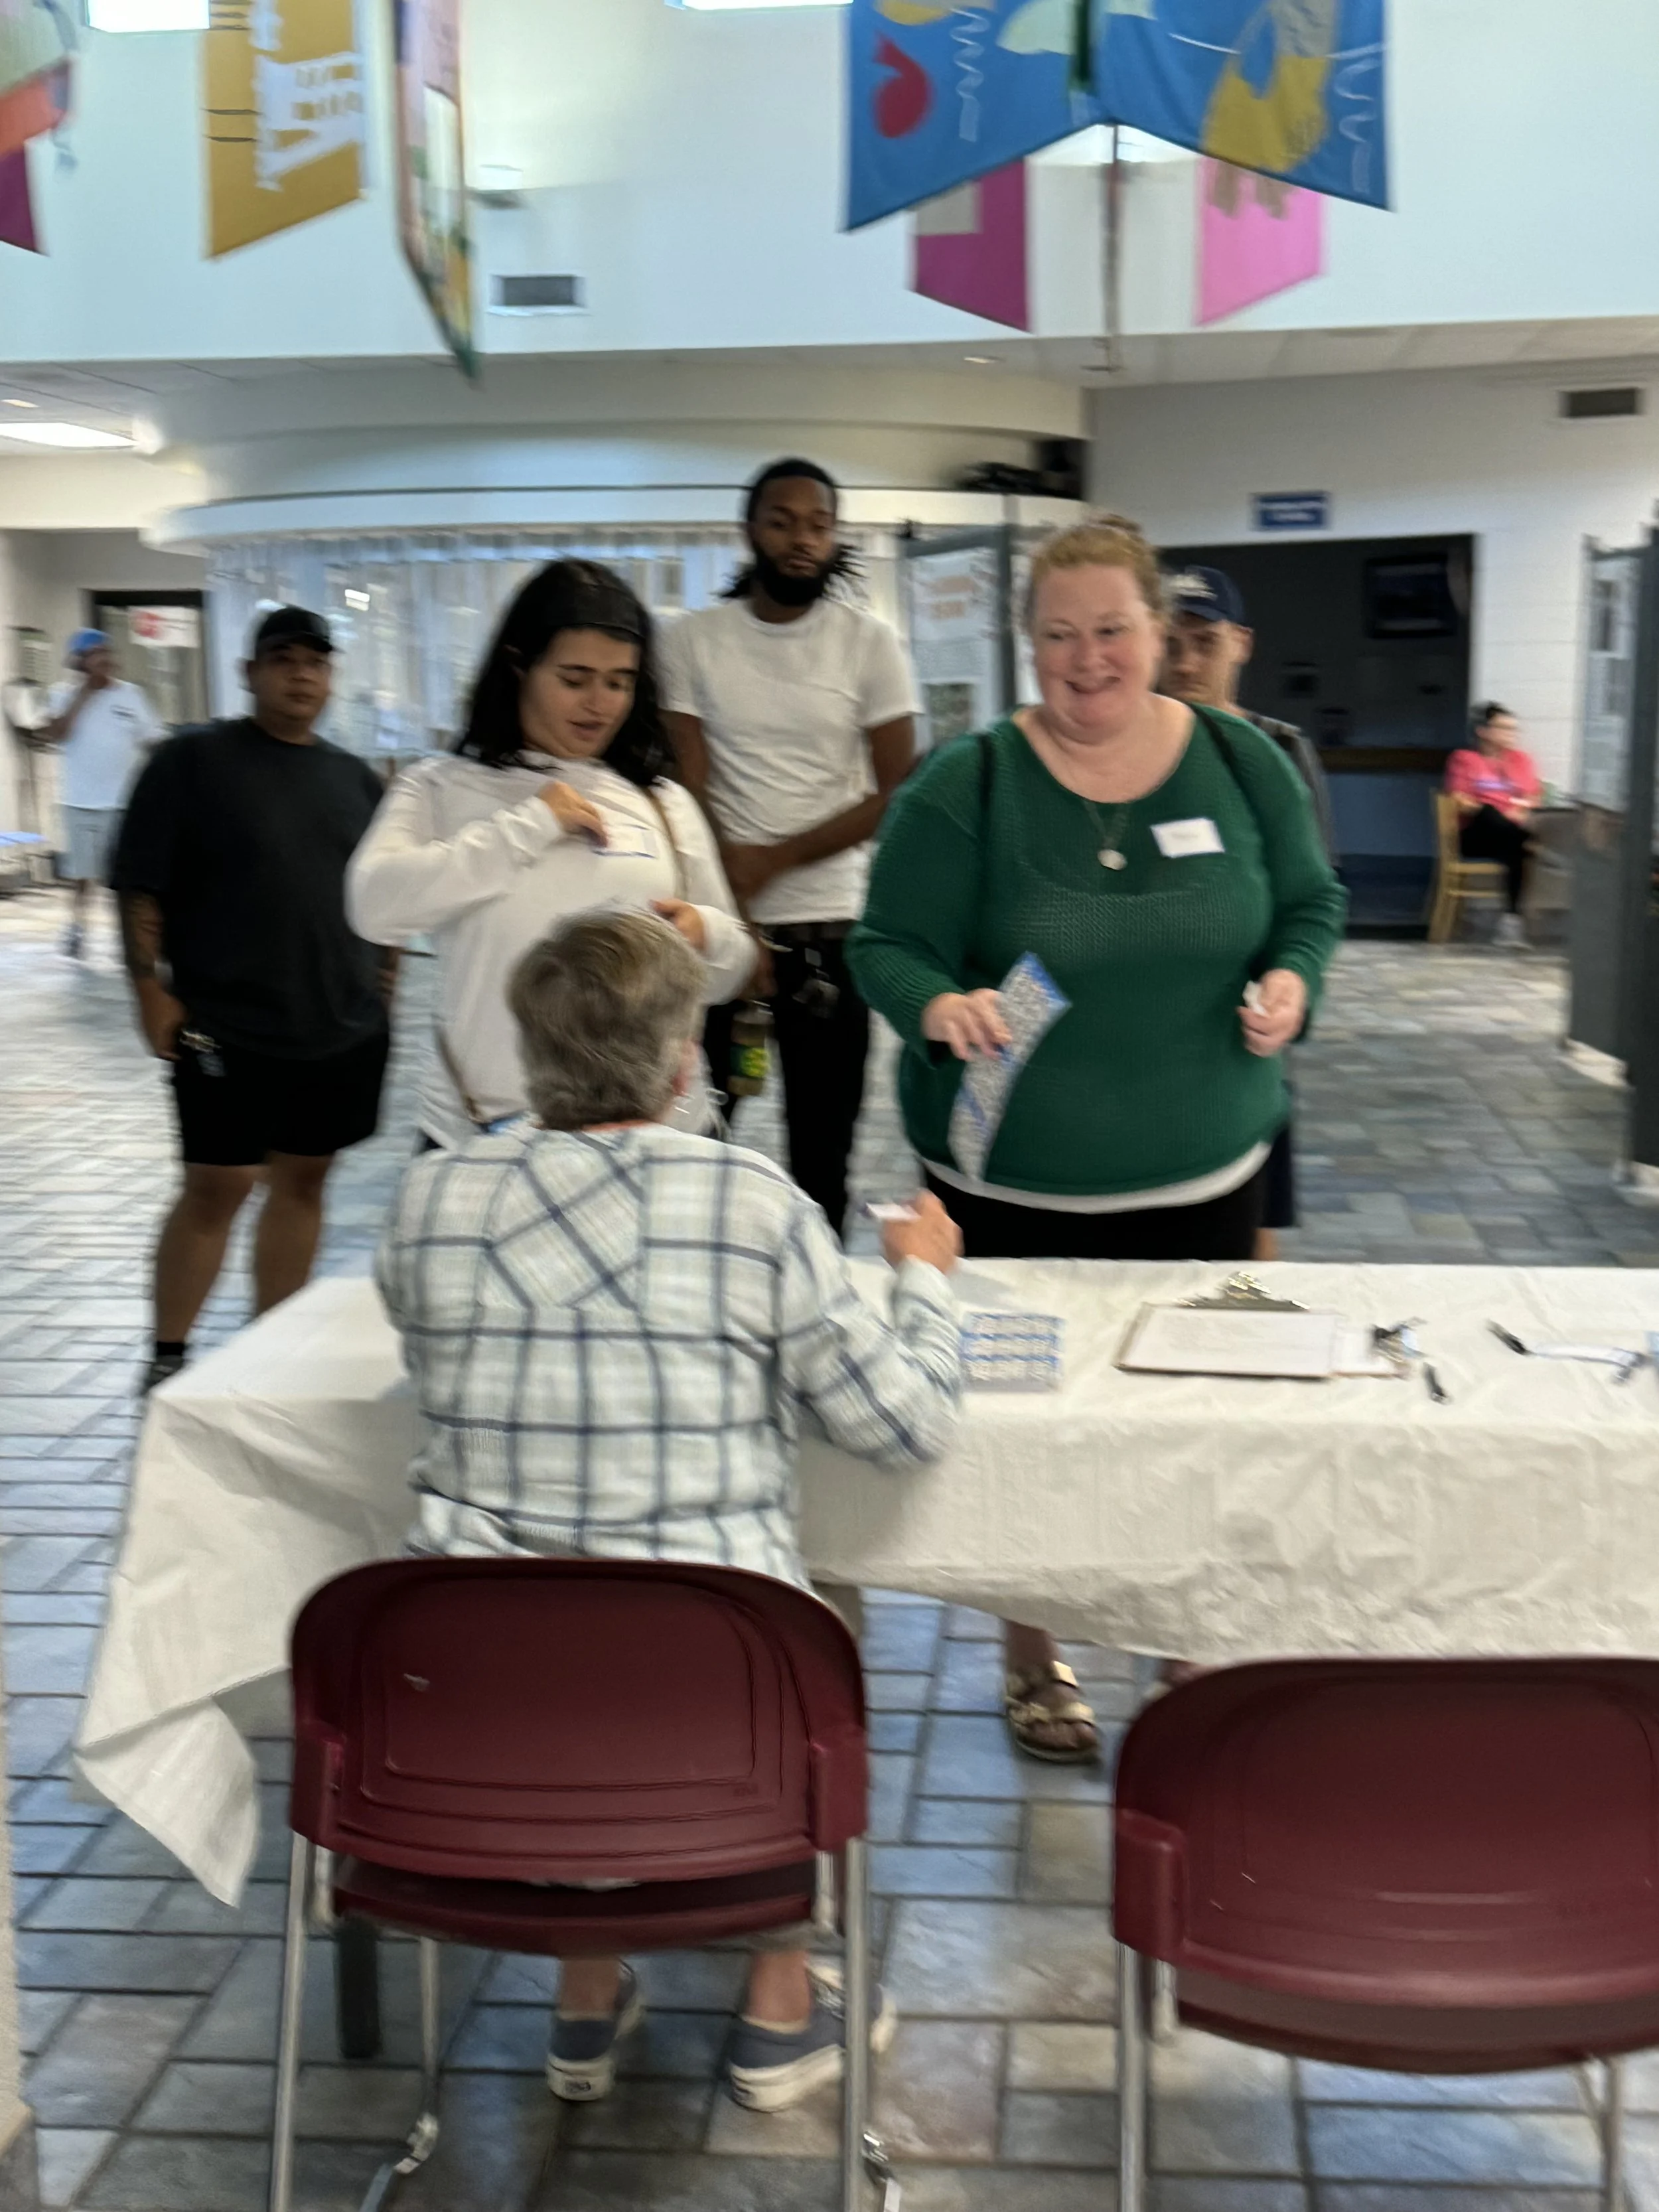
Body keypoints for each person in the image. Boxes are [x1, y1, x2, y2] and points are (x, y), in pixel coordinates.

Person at [378, 909, 963, 2112]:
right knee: (807, 1605)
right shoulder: (751, 1203)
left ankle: (585, 1989)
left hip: (478, 1707)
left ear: (529, 1048)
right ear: (684, 1056)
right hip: (714, 1699)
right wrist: (925, 1284)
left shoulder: (429, 1197)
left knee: (561, 1601)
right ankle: (779, 2005)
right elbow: (901, 1424)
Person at [849, 517, 1346, 1763]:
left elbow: (1309, 902)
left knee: (1195, 1418)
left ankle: (1186, 1641)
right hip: (1010, 1185)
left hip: (1208, 1175)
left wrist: (1294, 979)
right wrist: (935, 1003)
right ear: (1029, 644)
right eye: (1060, 634)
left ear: (1157, 634)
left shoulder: (1239, 761)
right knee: (1027, 1432)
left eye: (1112, 629)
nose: (1088, 658)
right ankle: (1036, 1649)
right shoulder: (969, 784)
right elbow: (886, 944)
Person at [348, 559, 754, 1149]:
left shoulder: (662, 801)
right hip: (484, 1140)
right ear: (519, 665)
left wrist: (706, 932)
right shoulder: (440, 787)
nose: (599, 704)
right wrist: (530, 825)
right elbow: (372, 905)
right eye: (575, 678)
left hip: (660, 1143)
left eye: (619, 682)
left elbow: (733, 968)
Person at [112, 607, 395, 1394]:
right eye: (284, 659)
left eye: (316, 662)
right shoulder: (192, 762)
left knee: (304, 1180)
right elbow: (140, 882)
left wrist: (384, 990)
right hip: (223, 1023)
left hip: (335, 1028)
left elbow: (384, 896)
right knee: (219, 1185)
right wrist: (147, 989)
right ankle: (169, 1351)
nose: (301, 675)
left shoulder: (355, 780)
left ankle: (272, 1348)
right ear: (250, 673)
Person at [660, 458, 919, 1236]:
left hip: (831, 932)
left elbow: (895, 792)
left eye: (818, 524)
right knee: (698, 1142)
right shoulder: (692, 640)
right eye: (782, 522)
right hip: (717, 933)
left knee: (822, 1153)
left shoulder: (869, 643)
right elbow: (687, 787)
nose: (802, 540)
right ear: (750, 532)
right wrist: (736, 916)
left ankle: (818, 1287)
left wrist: (774, 859)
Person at [1162, 561, 1337, 1259]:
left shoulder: (1280, 752)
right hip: (1149, 1031)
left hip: (1244, 1031)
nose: (1184, 663)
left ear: (1242, 644)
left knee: (1250, 1224)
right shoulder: (1119, 753)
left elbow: (1314, 896)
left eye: (1204, 643)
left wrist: (1291, 981)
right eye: (1169, 643)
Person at [41, 628, 162, 958]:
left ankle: (129, 935)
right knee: (81, 875)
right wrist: (84, 693)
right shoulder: (61, 694)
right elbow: (57, 734)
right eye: (96, 653)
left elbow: (153, 740)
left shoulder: (131, 695)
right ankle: (77, 927)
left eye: (107, 652)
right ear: (80, 661)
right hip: (78, 801)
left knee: (124, 876)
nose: (105, 659)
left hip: (121, 803)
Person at [1445, 701, 1541, 948]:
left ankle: (1511, 922)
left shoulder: (1521, 760)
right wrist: (1495, 813)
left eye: (1513, 729)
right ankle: (1512, 924)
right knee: (1491, 815)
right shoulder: (1465, 759)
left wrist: (1519, 810)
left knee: (1515, 844)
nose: (1511, 734)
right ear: (1483, 731)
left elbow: (1532, 797)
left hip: (1508, 836)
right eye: (1504, 728)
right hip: (1476, 834)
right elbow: (1459, 799)